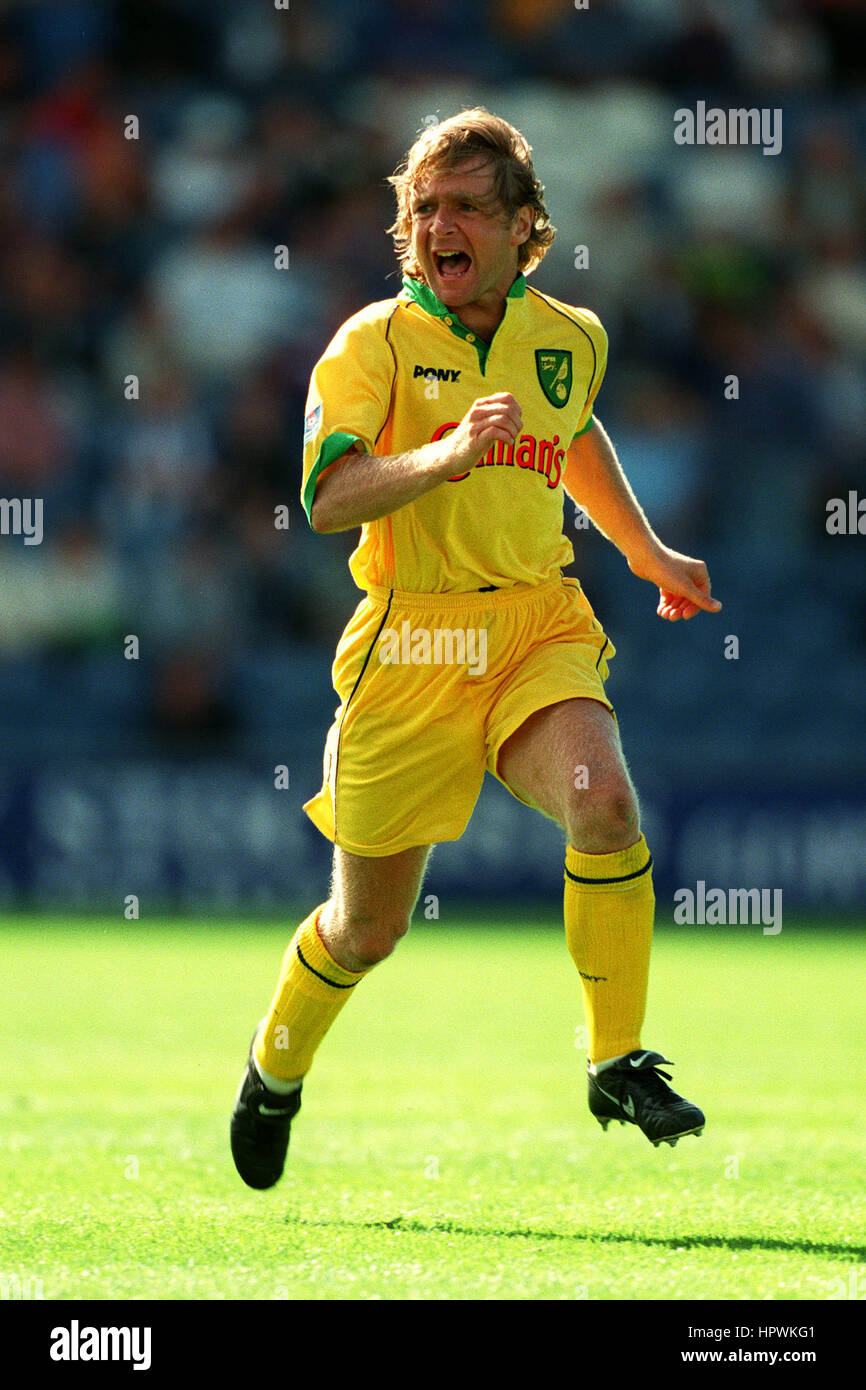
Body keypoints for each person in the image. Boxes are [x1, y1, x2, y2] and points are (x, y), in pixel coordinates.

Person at [231, 109, 721, 1190]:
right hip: (409, 641)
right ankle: (273, 1069)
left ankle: (613, 1055)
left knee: (601, 801)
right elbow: (324, 496)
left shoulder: (569, 336)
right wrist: (446, 454)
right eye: (422, 208)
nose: (436, 226)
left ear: (521, 229)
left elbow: (573, 429)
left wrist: (642, 550)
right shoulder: (369, 345)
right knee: (365, 929)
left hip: (534, 620)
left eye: (463, 207)